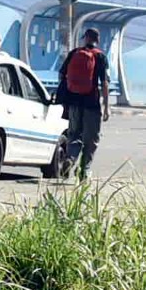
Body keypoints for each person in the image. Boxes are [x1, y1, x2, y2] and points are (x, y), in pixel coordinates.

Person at [56, 29, 110, 179]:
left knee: (74, 135)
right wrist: (106, 107)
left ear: (85, 38)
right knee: (91, 139)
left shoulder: (74, 53)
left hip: (73, 103)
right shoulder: (100, 56)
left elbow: (61, 75)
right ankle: (84, 170)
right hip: (91, 103)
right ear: (97, 40)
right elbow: (105, 83)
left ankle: (70, 159)